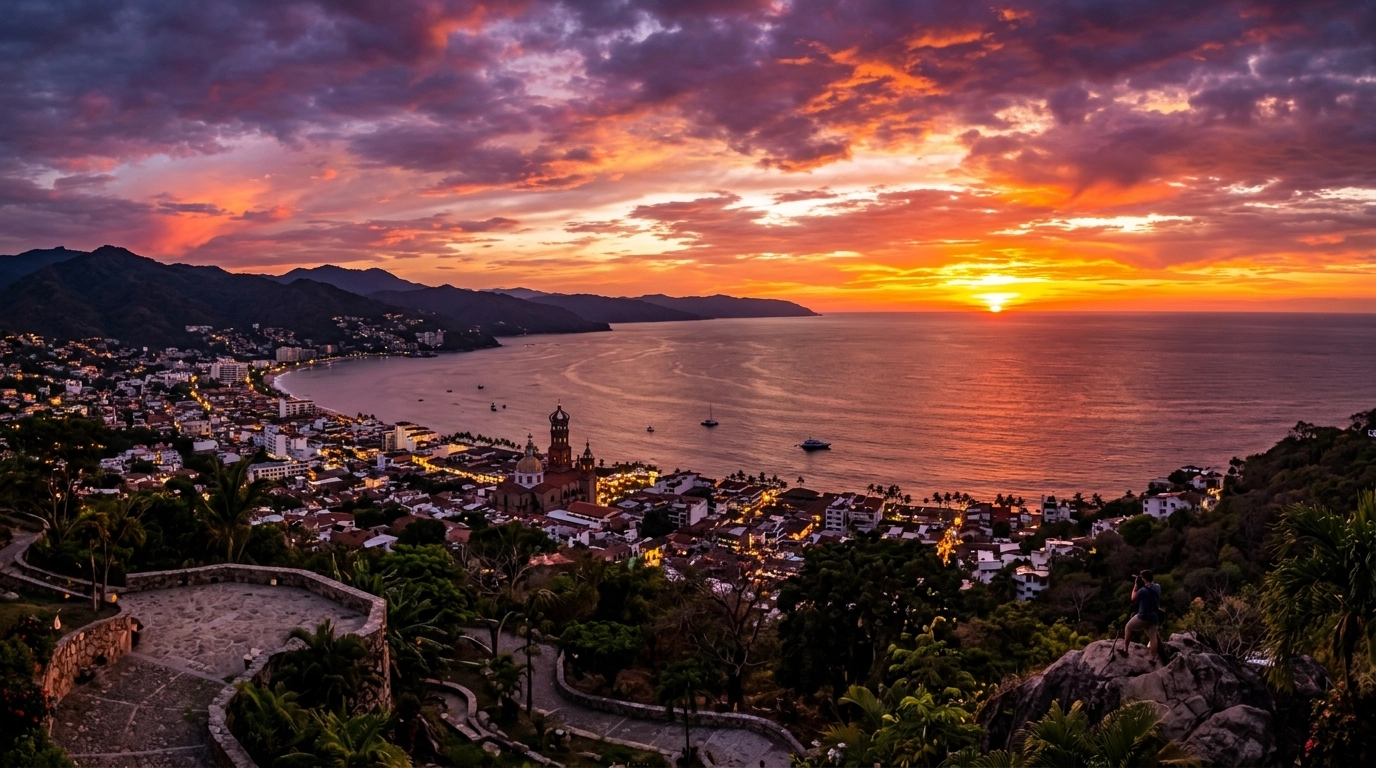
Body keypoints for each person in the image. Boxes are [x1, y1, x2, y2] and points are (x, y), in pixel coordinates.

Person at [1118, 570, 1162, 661]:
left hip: (1143, 616)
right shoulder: (1157, 587)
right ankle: (1153, 658)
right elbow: (1150, 587)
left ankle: (1125, 650)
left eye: (1142, 578)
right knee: (1153, 637)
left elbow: (1133, 598)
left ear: (1144, 579)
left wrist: (1136, 585)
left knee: (1128, 627)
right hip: (1154, 616)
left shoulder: (1142, 591)